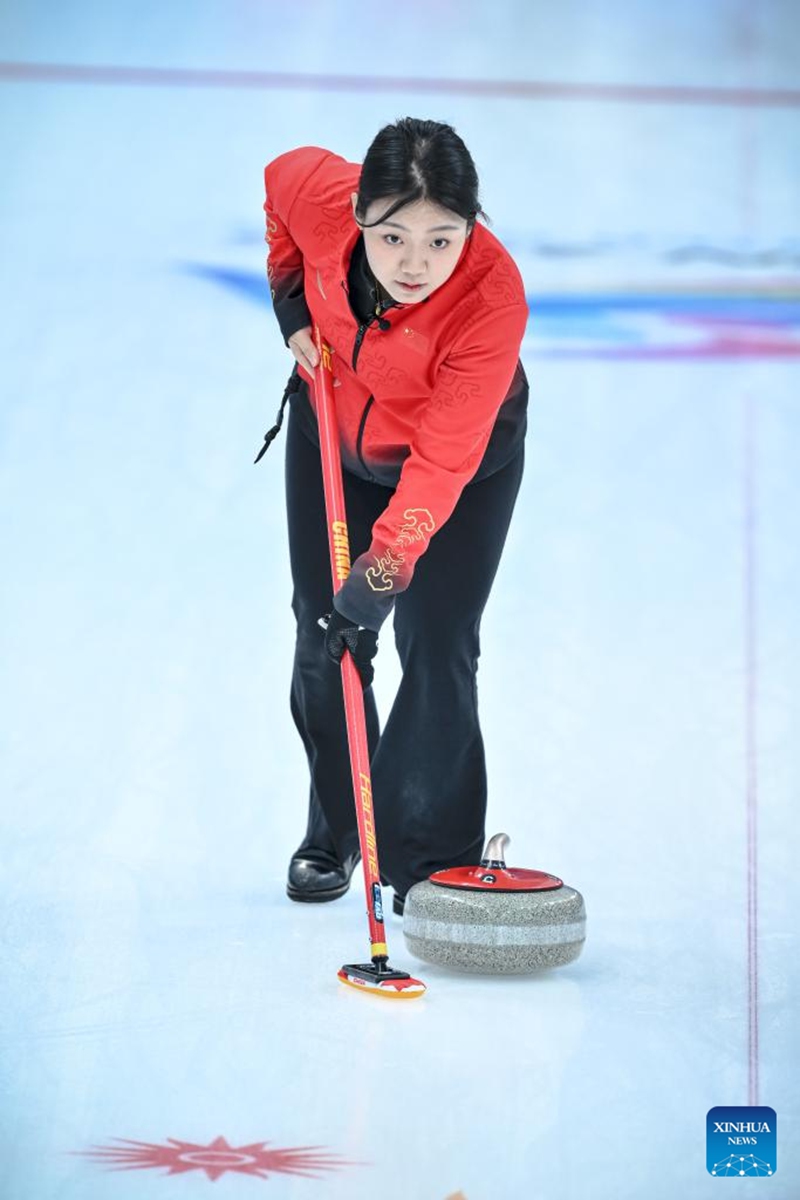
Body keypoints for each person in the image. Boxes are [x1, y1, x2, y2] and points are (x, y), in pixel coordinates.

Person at [257, 117, 529, 914]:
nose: (417, 264)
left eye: (443, 241)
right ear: (358, 215)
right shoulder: (317, 195)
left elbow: (442, 462)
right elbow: (278, 181)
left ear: (471, 229)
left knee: (437, 642)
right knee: (324, 633)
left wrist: (376, 576)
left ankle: (434, 860)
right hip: (333, 426)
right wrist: (288, 298)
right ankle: (340, 829)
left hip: (460, 467)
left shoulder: (492, 299)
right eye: (394, 237)